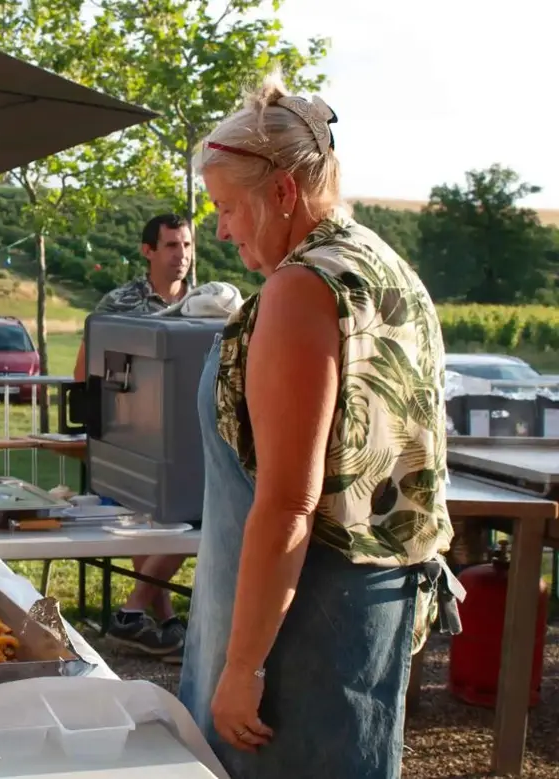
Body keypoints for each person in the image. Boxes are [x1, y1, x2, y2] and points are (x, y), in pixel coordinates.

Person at [177, 71, 455, 778]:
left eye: (228, 207)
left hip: (297, 630)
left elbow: (289, 505)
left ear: (281, 194)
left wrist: (242, 667)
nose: (220, 228)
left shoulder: (302, 288)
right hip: (364, 617)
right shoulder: (389, 269)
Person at [73, 213, 194, 662]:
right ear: (148, 251)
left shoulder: (202, 305)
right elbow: (84, 372)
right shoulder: (118, 303)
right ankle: (158, 623)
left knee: (181, 520)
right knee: (150, 525)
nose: (181, 255)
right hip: (130, 437)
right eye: (171, 246)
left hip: (183, 440)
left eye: (186, 245)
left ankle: (135, 615)